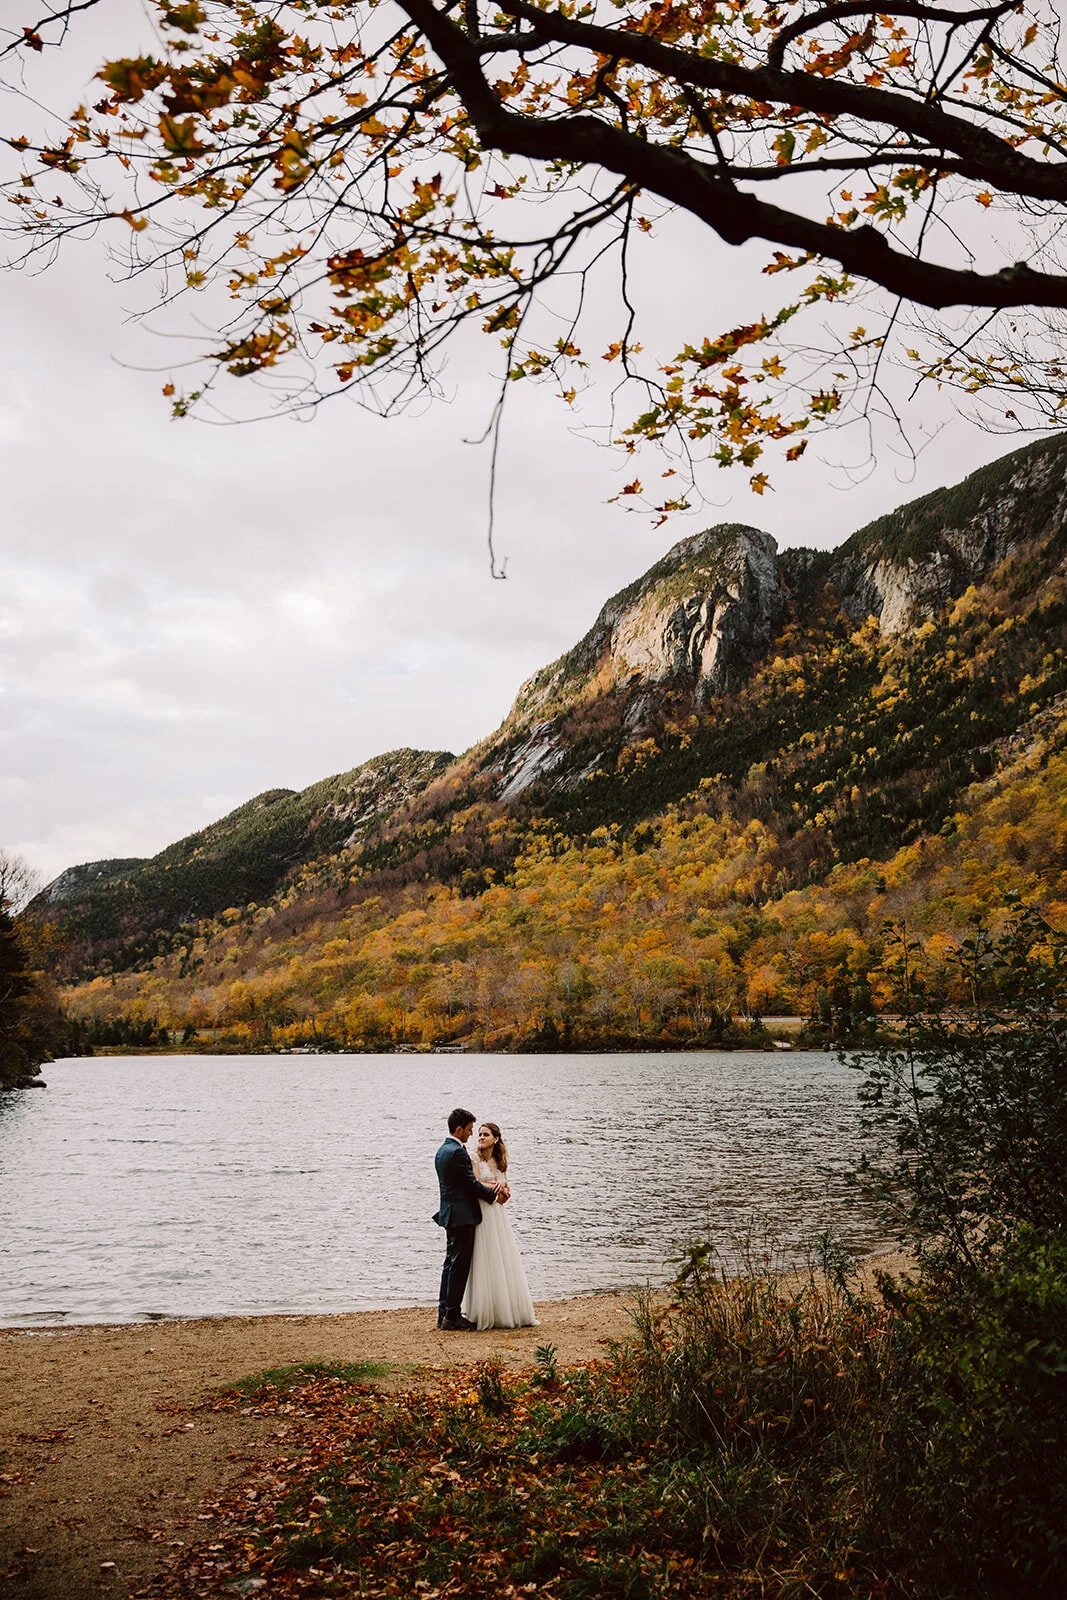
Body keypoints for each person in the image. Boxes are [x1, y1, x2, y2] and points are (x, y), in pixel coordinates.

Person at [462, 1121, 537, 1330]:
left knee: (502, 1257)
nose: (481, 1137)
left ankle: (505, 1308)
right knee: (485, 1257)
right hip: (482, 1210)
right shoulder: (474, 1158)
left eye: (486, 1134)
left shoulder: (500, 1161)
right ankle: (483, 1310)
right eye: (479, 1134)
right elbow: (475, 1183)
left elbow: (506, 1188)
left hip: (497, 1212)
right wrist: (496, 1187)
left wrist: (505, 1192)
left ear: (496, 1139)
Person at [433, 1107, 503, 1331]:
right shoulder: (456, 1152)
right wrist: (494, 1196)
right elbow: (470, 1184)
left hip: (450, 1214)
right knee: (458, 1267)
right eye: (470, 1129)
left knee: (449, 1264)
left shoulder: (443, 1150)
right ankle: (452, 1316)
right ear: (459, 1129)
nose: (472, 1133)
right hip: (462, 1216)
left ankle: (444, 1313)